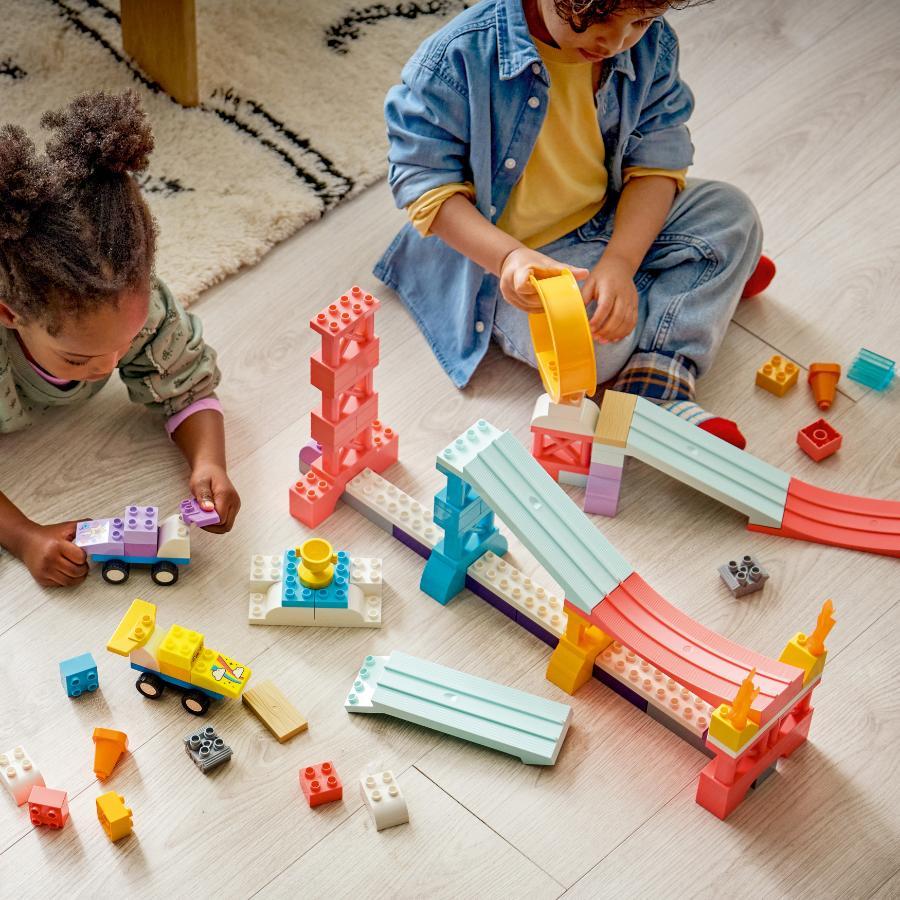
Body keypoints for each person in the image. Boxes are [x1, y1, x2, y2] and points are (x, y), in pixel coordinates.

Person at [375, 0, 775, 450]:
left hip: (608, 216)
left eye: (641, 21)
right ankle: (696, 286)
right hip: (505, 260)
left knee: (732, 209)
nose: (616, 42)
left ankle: (654, 382)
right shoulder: (457, 57)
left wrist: (621, 262)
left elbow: (658, 159)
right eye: (596, 19)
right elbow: (424, 181)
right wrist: (509, 258)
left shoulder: (649, 46)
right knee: (594, 351)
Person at [0, 90, 239, 587]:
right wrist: (23, 535)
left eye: (125, 342)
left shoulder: (134, 306)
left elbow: (187, 382)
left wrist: (208, 461)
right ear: (11, 315)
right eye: (78, 357)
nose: (109, 366)